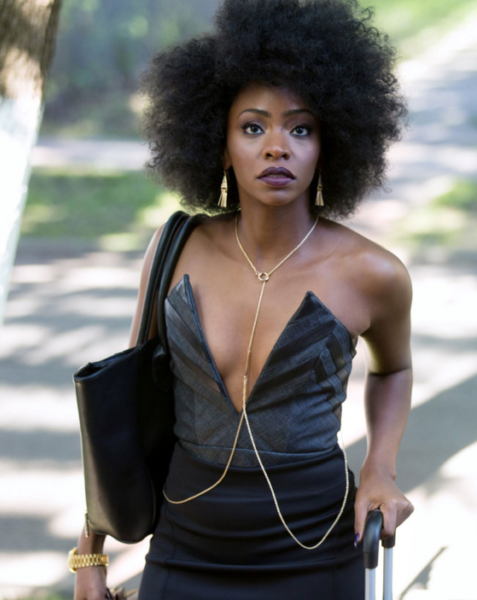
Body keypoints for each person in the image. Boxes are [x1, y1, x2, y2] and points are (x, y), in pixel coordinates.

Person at [73, 0, 413, 597]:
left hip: (314, 551)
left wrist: (380, 468)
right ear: (219, 142)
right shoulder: (176, 248)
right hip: (184, 550)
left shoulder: (372, 273)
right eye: (253, 127)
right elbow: (124, 413)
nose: (277, 147)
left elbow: (394, 369)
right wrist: (89, 554)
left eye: (300, 129)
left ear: (330, 144)